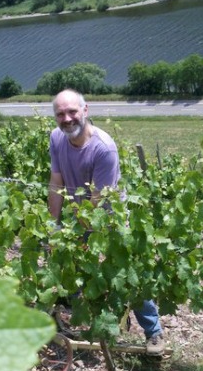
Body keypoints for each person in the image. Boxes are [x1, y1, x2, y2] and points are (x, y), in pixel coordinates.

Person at [48, 89, 165, 356]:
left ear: (85, 111)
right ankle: (88, 315)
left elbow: (98, 202)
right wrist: (53, 225)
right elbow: (56, 182)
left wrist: (70, 233)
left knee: (126, 271)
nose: (67, 118)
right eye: (60, 114)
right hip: (80, 215)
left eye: (72, 112)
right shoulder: (57, 138)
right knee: (74, 264)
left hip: (109, 216)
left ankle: (154, 332)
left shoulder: (104, 148)